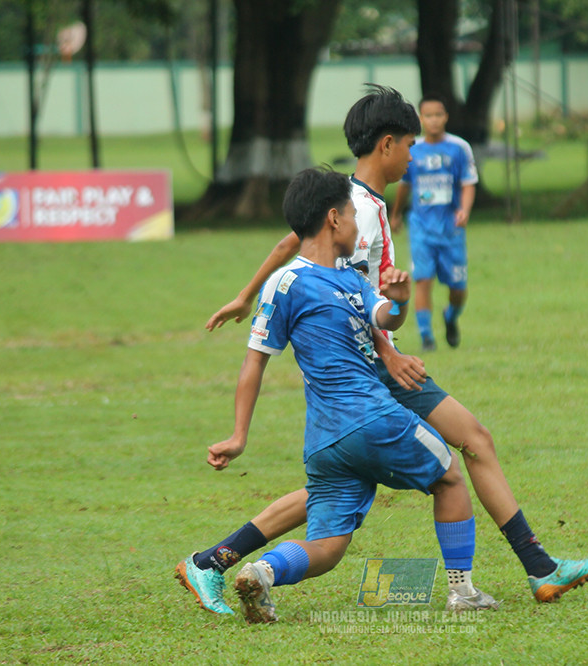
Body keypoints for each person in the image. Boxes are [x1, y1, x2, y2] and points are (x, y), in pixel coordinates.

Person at [184, 85, 588, 615]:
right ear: (387, 145)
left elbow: (292, 243)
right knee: (467, 449)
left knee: (334, 496)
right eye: (409, 144)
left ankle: (214, 561)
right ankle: (517, 575)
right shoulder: (356, 210)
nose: (415, 154)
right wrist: (387, 354)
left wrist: (249, 295)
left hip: (365, 371)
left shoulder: (357, 200)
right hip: (376, 369)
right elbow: (345, 293)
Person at [178, 167, 496, 623]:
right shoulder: (315, 280)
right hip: (376, 419)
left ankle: (263, 572)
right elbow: (260, 360)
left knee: (328, 547)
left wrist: (399, 300)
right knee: (449, 477)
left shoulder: (311, 281)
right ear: (333, 218)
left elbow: (378, 322)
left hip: (325, 442)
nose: (354, 223)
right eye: (350, 214)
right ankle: (461, 590)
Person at [391, 94, 478, 351]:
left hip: (451, 229)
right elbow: (404, 186)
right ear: (420, 118)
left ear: (446, 117)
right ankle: (426, 335)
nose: (434, 120)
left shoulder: (459, 148)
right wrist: (395, 213)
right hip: (421, 227)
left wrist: (464, 210)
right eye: (428, 116)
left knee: (458, 287)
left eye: (438, 115)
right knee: (423, 279)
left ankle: (451, 316)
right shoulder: (412, 148)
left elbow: (468, 183)